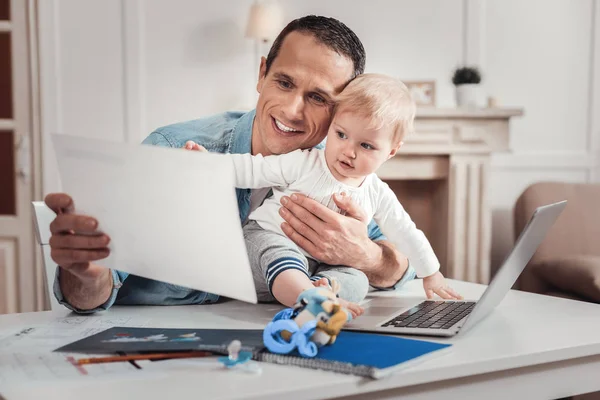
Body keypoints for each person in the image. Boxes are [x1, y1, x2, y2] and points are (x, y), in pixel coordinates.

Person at [44, 15, 456, 314]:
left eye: (318, 98)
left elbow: (396, 270)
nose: (293, 111)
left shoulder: (347, 176)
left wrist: (364, 254)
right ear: (261, 74)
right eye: (284, 82)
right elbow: (91, 295)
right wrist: (86, 272)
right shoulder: (173, 149)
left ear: (342, 112)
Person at [184, 73, 462, 314]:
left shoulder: (377, 192)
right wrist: (211, 165)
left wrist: (431, 273)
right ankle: (308, 297)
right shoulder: (305, 162)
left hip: (317, 267)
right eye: (341, 135)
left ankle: (326, 291)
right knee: (279, 252)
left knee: (357, 279)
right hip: (265, 243)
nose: (349, 151)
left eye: (366, 145)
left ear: (391, 151)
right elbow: (253, 169)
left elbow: (406, 232)